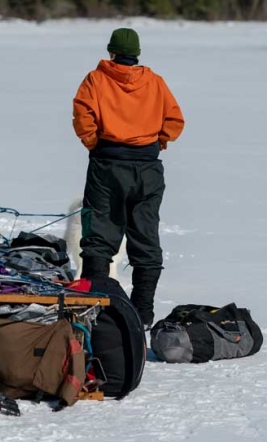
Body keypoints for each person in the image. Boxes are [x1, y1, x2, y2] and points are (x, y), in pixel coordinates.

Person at [72, 28, 185, 329]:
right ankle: (143, 313)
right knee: (146, 236)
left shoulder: (96, 80)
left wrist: (94, 142)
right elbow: (175, 121)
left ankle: (95, 308)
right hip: (147, 169)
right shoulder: (155, 82)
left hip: (107, 165)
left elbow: (83, 115)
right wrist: (157, 142)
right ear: (136, 53)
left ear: (111, 52)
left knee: (99, 234)